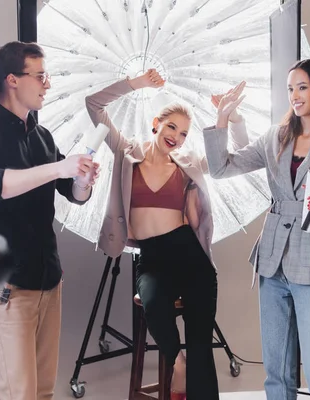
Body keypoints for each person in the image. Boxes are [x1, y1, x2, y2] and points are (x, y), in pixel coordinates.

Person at [203, 59, 310, 400]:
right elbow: (220, 168)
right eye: (290, 88)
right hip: (272, 261)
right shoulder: (275, 136)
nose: (294, 95)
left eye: (302, 87)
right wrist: (223, 117)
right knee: (276, 371)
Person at [85, 69, 249, 400]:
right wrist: (137, 84)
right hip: (153, 258)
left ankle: (194, 374)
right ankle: (178, 363)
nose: (176, 136)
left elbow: (240, 156)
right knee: (155, 304)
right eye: (171, 126)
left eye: (184, 133)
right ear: (156, 123)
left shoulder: (188, 162)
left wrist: (231, 118)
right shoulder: (127, 151)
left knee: (201, 343)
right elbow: (93, 105)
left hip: (190, 254)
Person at [0, 41, 100, 400]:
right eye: (40, 76)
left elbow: (75, 194)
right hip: (9, 285)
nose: (46, 84)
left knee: (44, 392)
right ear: (12, 80)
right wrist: (58, 167)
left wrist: (82, 179)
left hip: (50, 280)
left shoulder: (42, 136)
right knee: (19, 393)